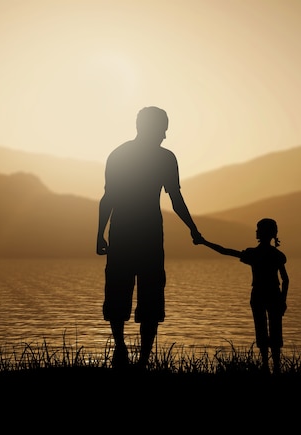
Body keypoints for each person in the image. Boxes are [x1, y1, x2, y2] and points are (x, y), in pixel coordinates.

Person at [96, 106, 203, 369]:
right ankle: (132, 355)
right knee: (146, 294)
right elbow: (175, 199)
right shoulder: (164, 158)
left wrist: (99, 233)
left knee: (131, 293)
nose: (165, 135)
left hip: (127, 233)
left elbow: (108, 197)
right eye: (163, 128)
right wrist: (193, 229)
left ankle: (129, 354)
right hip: (145, 235)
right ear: (149, 127)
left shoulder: (119, 155)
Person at [198, 218, 289, 373]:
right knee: (275, 331)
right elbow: (285, 280)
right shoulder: (277, 255)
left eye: (258, 229)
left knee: (261, 330)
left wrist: (204, 242)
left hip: (259, 294)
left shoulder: (253, 254)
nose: (256, 231)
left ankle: (266, 367)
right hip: (274, 294)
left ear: (262, 233)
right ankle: (277, 367)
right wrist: (282, 299)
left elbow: (226, 251)